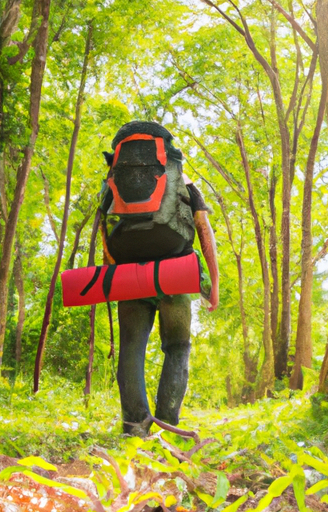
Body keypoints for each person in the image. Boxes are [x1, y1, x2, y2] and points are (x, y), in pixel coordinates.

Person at [100, 121, 219, 437]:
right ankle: (167, 425)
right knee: (178, 346)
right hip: (175, 272)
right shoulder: (182, 178)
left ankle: (135, 426)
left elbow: (105, 227)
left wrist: (114, 271)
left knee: (131, 347)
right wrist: (213, 285)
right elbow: (204, 230)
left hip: (129, 273)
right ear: (166, 151)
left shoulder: (113, 180)